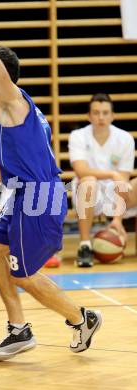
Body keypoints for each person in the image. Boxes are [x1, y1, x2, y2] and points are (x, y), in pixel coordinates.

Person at [0, 9, 102, 361]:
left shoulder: (11, 98)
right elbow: (7, 158)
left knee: (21, 273)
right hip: (25, 195)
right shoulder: (12, 111)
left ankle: (82, 318)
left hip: (41, 197)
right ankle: (19, 329)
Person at [0, 122, 60, 268]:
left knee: (41, 191)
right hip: (2, 186)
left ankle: (39, 247)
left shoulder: (34, 129)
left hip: (30, 185)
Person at [69, 93, 137, 267]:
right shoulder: (77, 136)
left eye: (105, 113)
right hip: (87, 194)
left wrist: (117, 220)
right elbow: (81, 170)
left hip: (116, 195)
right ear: (89, 116)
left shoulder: (125, 139)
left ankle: (116, 224)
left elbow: (123, 179)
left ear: (112, 115)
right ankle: (85, 246)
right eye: (96, 113)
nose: (101, 117)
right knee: (89, 181)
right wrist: (112, 174)